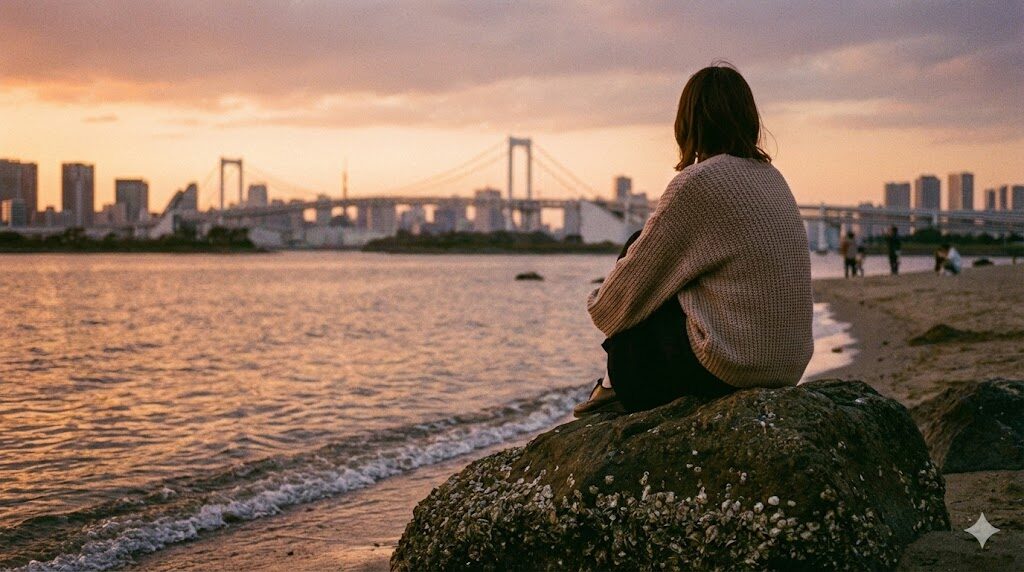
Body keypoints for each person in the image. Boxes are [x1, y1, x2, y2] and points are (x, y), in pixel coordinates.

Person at [573, 62, 813, 417]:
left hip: (731, 368)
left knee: (640, 245)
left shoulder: (696, 184)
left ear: (687, 123)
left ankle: (610, 386)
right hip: (787, 367)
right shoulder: (774, 179)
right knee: (667, 266)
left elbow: (612, 308)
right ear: (749, 118)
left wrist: (600, 300)